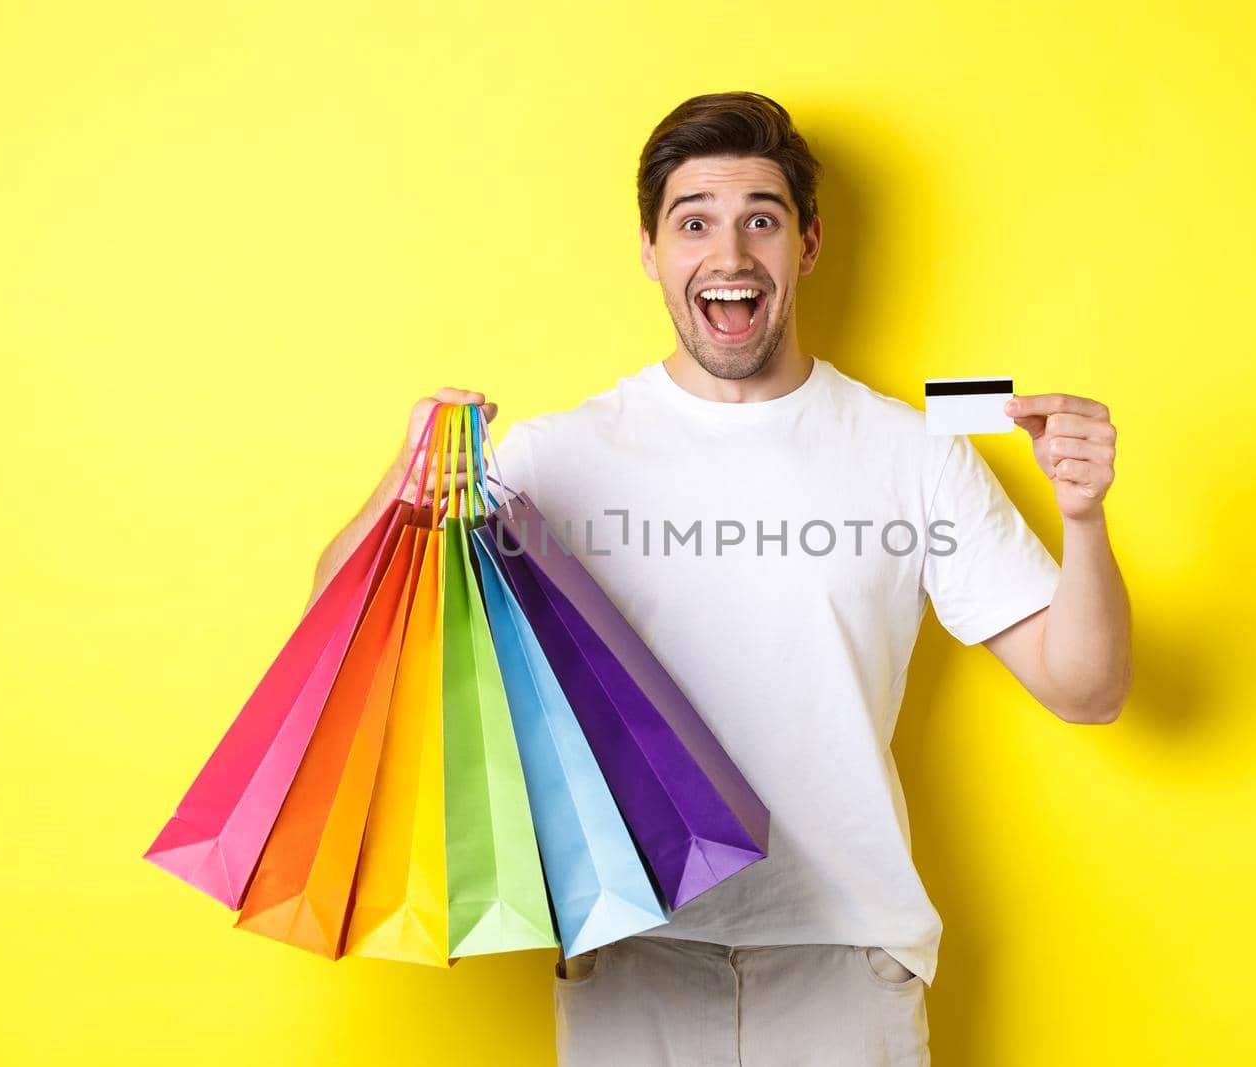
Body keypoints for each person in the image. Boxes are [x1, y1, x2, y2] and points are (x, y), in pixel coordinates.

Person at [310, 90, 1131, 1066]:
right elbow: (341, 621)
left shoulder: (910, 454)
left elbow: (1086, 688)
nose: (730, 254)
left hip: (844, 957)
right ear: (652, 250)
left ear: (808, 245)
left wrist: (1083, 520)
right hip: (631, 953)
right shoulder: (551, 458)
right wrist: (400, 488)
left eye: (761, 220)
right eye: (694, 220)